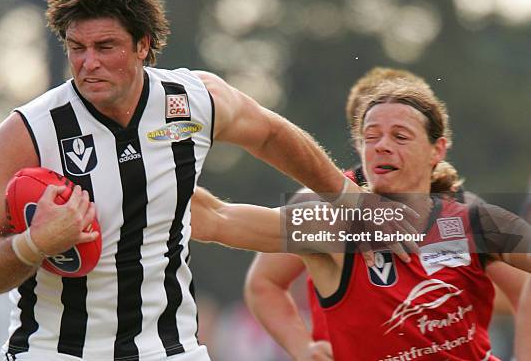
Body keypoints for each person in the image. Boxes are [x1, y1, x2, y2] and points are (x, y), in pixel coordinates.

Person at [0, 0, 369, 361]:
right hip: (55, 353)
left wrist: (351, 198)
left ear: (143, 45)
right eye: (76, 48)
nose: (89, 63)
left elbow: (270, 134)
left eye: (105, 47)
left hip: (170, 350)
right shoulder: (27, 133)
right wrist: (35, 243)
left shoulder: (192, 101)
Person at [190, 81, 531, 360]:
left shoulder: (475, 219)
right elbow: (215, 218)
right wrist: (303, 348)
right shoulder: (326, 223)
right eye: (371, 137)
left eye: (400, 136)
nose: (382, 146)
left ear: (437, 150)